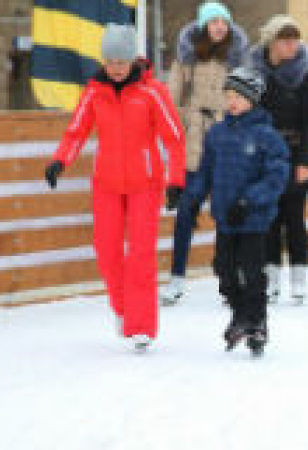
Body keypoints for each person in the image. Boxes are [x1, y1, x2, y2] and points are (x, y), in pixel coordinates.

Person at [44, 24, 186, 352]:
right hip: (106, 183)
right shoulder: (95, 91)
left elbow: (174, 139)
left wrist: (175, 180)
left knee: (140, 254)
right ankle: (124, 309)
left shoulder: (153, 92)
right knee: (106, 250)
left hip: (145, 184)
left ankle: (142, 326)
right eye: (110, 62)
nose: (116, 68)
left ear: (134, 60)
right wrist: (60, 161)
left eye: (122, 61)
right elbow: (76, 131)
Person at [183, 67, 289, 355]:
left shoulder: (267, 136)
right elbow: (205, 173)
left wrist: (249, 200)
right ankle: (241, 315)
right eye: (228, 95)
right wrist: (191, 201)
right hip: (226, 219)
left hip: (253, 220)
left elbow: (277, 175)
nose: (232, 101)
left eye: (239, 96)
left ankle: (258, 323)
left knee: (253, 273)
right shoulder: (217, 134)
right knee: (225, 271)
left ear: (252, 99)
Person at [161, 1, 251, 305]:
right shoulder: (188, 55)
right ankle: (176, 277)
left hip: (228, 138)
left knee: (228, 212)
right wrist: (183, 119)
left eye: (223, 22)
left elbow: (250, 96)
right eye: (213, 22)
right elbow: (172, 96)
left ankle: (231, 278)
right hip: (196, 141)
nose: (218, 27)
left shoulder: (237, 57)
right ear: (203, 26)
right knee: (187, 208)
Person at [251, 15, 308, 306]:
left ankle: (299, 278)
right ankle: (270, 279)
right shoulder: (255, 72)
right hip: (266, 155)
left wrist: (306, 161)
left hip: (296, 155)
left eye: (295, 39)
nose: (292, 45)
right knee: (269, 218)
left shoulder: (306, 74)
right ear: (272, 42)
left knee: (294, 217)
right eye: (285, 39)